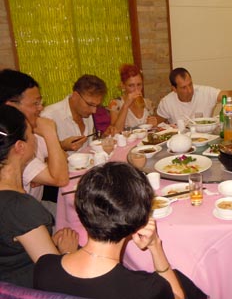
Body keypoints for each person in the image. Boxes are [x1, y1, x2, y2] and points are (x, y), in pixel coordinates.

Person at [34, 162, 206, 299]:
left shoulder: (44, 267)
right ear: (138, 220)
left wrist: (68, 252)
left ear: (81, 209)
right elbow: (178, 296)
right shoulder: (146, 288)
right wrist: (155, 246)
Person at [0, 105, 78, 288]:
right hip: (26, 289)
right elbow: (56, 279)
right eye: (31, 134)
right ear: (20, 147)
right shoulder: (19, 207)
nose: (35, 139)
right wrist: (66, 252)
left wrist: (48, 241)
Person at [0, 69, 69, 209]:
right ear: (11, 106)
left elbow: (63, 160)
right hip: (22, 216)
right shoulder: (11, 145)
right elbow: (61, 178)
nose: (41, 108)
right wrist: (50, 132)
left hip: (36, 204)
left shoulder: (34, 128)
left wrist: (47, 165)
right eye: (35, 103)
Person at [156, 67, 232, 124]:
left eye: (190, 84)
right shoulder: (167, 102)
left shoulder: (204, 92)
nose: (190, 90)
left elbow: (229, 94)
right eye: (184, 87)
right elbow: (158, 125)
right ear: (174, 89)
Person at [41, 74, 109, 154]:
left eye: (97, 105)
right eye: (90, 104)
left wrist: (104, 136)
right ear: (75, 96)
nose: (94, 111)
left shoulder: (86, 113)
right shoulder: (48, 116)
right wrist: (62, 146)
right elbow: (37, 158)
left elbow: (88, 147)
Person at [108, 64, 158, 131]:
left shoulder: (148, 103)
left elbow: (154, 131)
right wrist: (126, 105)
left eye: (139, 85)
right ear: (123, 86)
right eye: (131, 85)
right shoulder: (115, 104)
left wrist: (153, 125)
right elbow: (116, 132)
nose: (136, 90)